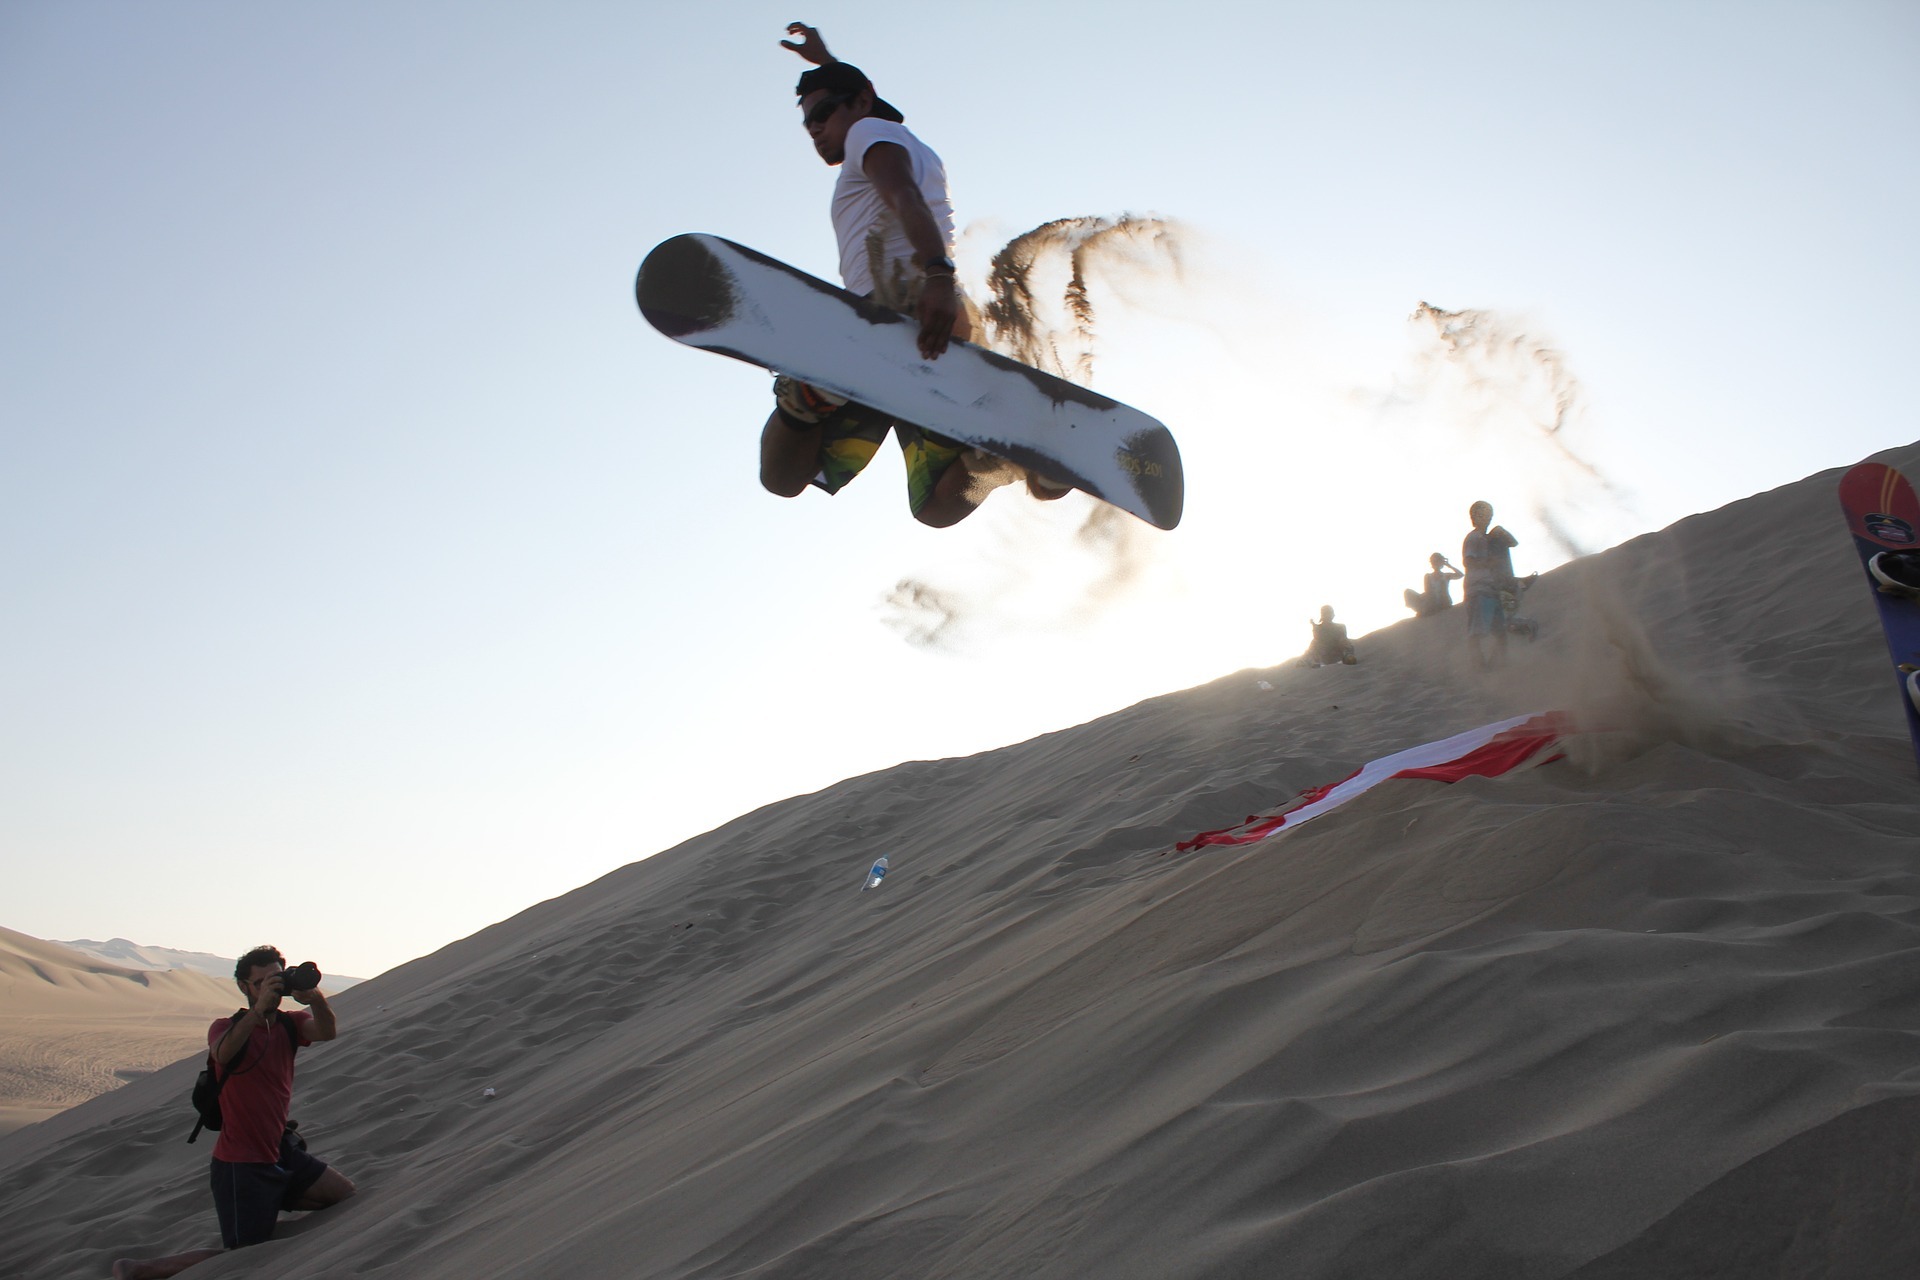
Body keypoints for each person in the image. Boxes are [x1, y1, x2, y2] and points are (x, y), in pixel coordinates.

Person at [763, 22, 1065, 527]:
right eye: (808, 123)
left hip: (892, 311)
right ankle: (1018, 457)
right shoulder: (886, 132)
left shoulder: (866, 134)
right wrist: (823, 62)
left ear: (860, 102)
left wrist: (937, 277)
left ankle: (812, 392)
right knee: (935, 506)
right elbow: (870, 105)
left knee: (780, 475)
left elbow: (902, 194)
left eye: (821, 114)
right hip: (935, 337)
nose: (814, 129)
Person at [111, 947, 355, 1280]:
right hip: (241, 1164)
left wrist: (314, 998)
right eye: (261, 982)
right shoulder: (225, 1026)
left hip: (279, 1151)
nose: (272, 988)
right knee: (242, 1256)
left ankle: (274, 1199)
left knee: (344, 1195)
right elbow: (223, 1054)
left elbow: (327, 1031)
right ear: (244, 987)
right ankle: (141, 1270)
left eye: (276, 979)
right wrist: (258, 1013)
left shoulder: (289, 1025)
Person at [1462, 500, 1520, 668]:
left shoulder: (1490, 539)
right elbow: (1468, 561)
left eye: (1489, 515)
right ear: (1474, 517)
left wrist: (1501, 532)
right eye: (1482, 515)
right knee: (1477, 632)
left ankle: (1499, 665)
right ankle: (1479, 666)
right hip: (1478, 590)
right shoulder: (1474, 537)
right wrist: (1489, 562)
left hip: (1492, 590)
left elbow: (1513, 543)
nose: (1486, 518)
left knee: (1500, 632)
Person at [1403, 552, 1463, 617]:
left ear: (1441, 563)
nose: (1435, 564)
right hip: (1431, 602)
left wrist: (1449, 566)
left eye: (1437, 561)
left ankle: (1424, 610)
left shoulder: (1446, 576)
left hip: (1444, 603)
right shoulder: (1428, 576)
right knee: (1408, 592)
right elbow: (1428, 591)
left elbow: (1460, 575)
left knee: (1425, 599)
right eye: (1433, 562)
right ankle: (1423, 610)